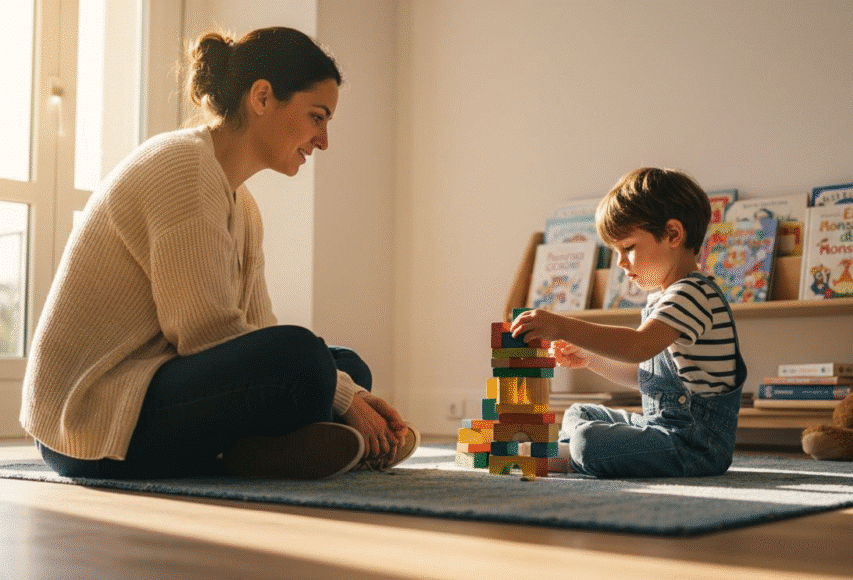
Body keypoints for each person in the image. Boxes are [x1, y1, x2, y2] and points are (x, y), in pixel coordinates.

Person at [20, 26, 417, 480]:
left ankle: (257, 452)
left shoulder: (241, 203)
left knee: (344, 364)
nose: (323, 140)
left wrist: (346, 388)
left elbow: (257, 327)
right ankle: (259, 450)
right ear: (263, 97)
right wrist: (344, 398)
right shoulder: (181, 166)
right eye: (316, 116)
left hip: (153, 390)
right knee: (305, 362)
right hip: (91, 425)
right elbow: (206, 335)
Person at [511, 167, 746, 478]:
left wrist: (563, 325)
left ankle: (573, 456)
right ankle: (579, 455)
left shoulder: (693, 293)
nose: (620, 263)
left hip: (695, 446)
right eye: (615, 252)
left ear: (673, 234)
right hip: (661, 429)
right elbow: (645, 375)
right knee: (579, 413)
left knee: (586, 439)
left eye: (629, 248)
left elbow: (637, 347)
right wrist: (589, 359)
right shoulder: (663, 297)